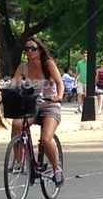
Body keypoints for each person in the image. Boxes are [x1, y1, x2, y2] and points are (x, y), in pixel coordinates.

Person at [9, 37, 65, 184]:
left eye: (32, 48)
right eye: (26, 49)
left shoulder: (48, 64)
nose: (29, 51)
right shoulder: (23, 67)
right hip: (32, 105)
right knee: (16, 124)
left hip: (49, 105)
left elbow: (60, 83)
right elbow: (13, 85)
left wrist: (58, 96)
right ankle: (20, 160)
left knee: (46, 139)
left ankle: (56, 168)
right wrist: (4, 95)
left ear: (39, 50)